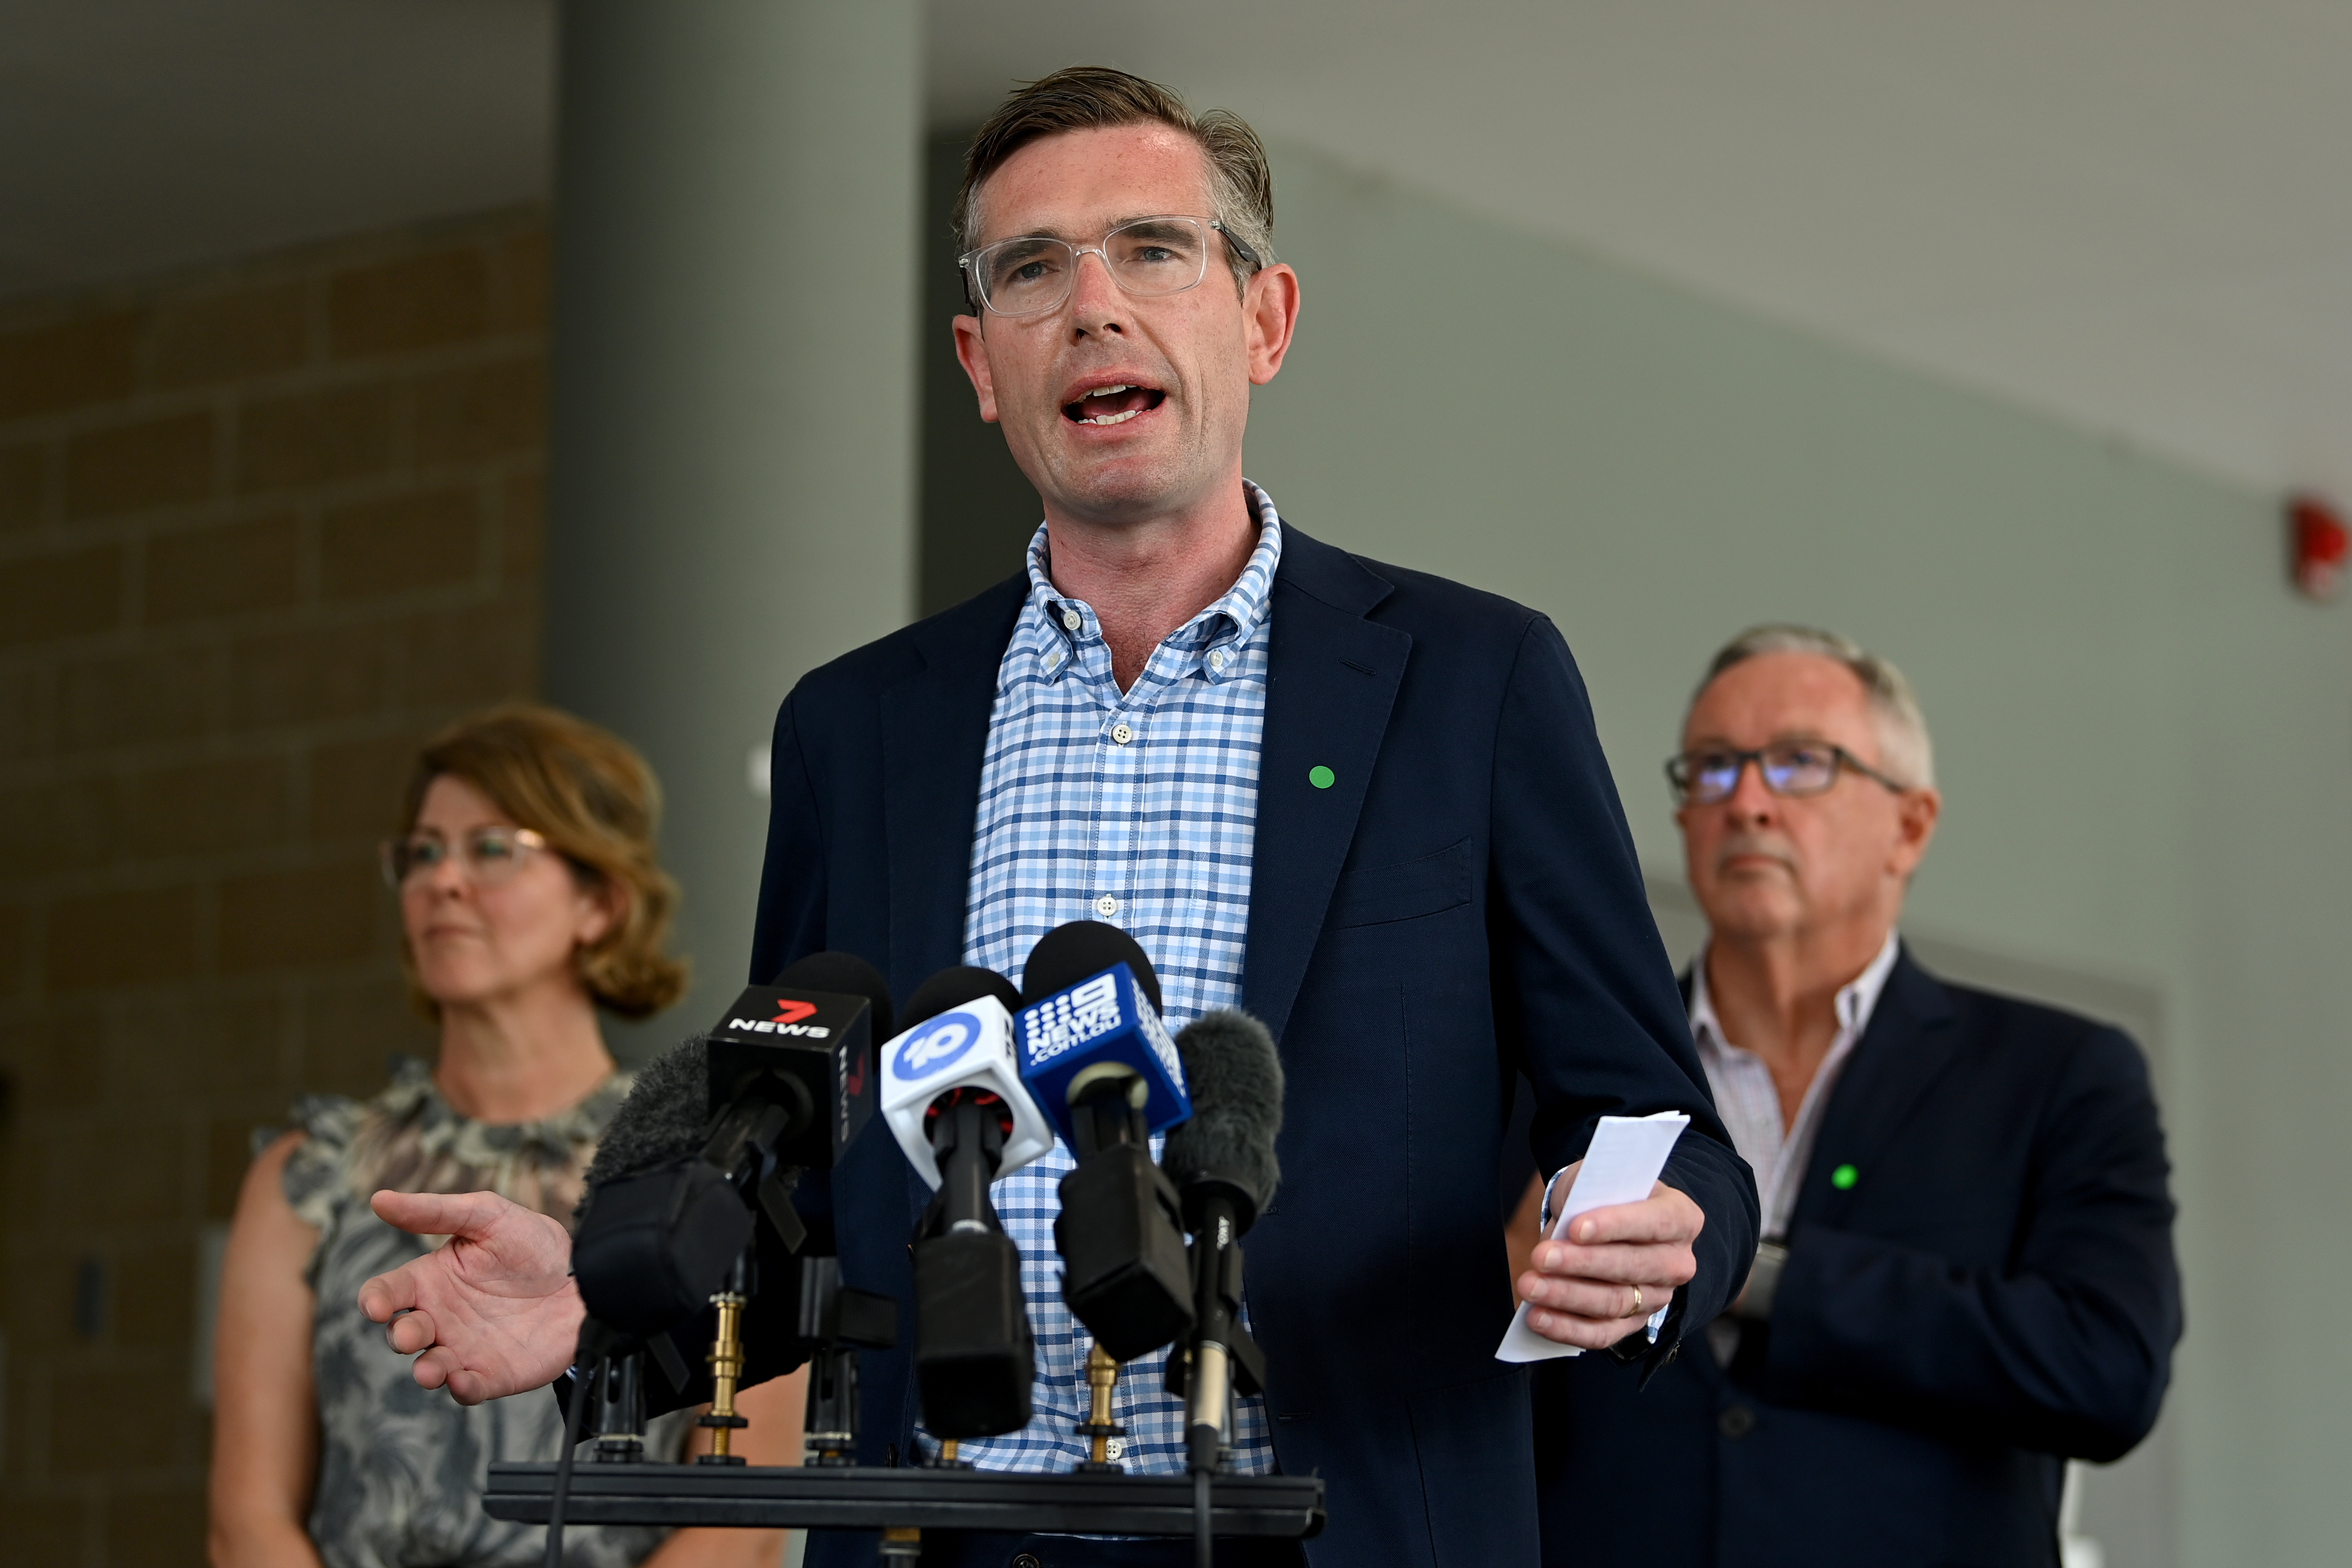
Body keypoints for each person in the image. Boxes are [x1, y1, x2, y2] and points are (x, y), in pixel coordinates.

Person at [351, 70, 1761, 1568]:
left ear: (1264, 318)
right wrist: (600, 1301)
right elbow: (811, 1189)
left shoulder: (1472, 683)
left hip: (1332, 1527)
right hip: (948, 1537)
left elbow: (1652, 1120)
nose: (1093, 306)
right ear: (980, 362)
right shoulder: (857, 728)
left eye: (1152, 250)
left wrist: (1649, 1230)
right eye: (1032, 270)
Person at [1530, 625, 2181, 1567]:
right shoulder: (1560, 1072)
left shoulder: (2060, 1074)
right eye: (1713, 767)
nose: (1746, 802)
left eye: (1801, 763)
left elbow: (2108, 1368)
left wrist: (1747, 1274)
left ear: (1909, 827)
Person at [207, 704, 799, 1568]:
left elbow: (741, 1521)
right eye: (423, 853)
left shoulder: (715, 1159)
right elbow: (247, 1523)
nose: (443, 880)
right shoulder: (311, 1175)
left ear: (599, 902)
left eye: (492, 848)